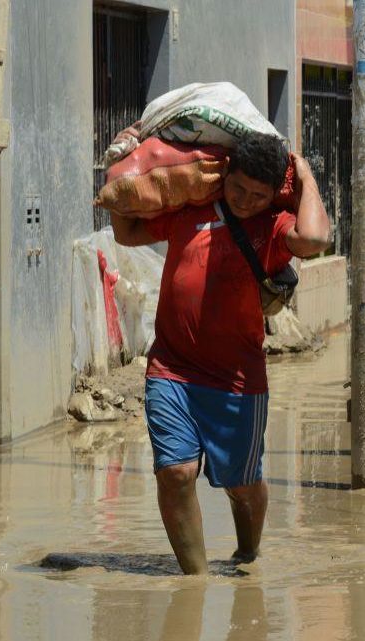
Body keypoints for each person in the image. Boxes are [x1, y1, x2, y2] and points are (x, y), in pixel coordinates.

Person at [111, 133, 331, 574]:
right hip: (171, 368)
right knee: (175, 474)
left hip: (237, 381)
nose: (246, 201)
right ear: (225, 174)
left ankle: (247, 552)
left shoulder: (271, 227)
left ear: (272, 195)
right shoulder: (189, 210)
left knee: (243, 485)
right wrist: (120, 165)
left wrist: (304, 175)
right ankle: (195, 582)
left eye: (258, 195)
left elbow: (313, 239)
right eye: (238, 189)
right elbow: (128, 231)